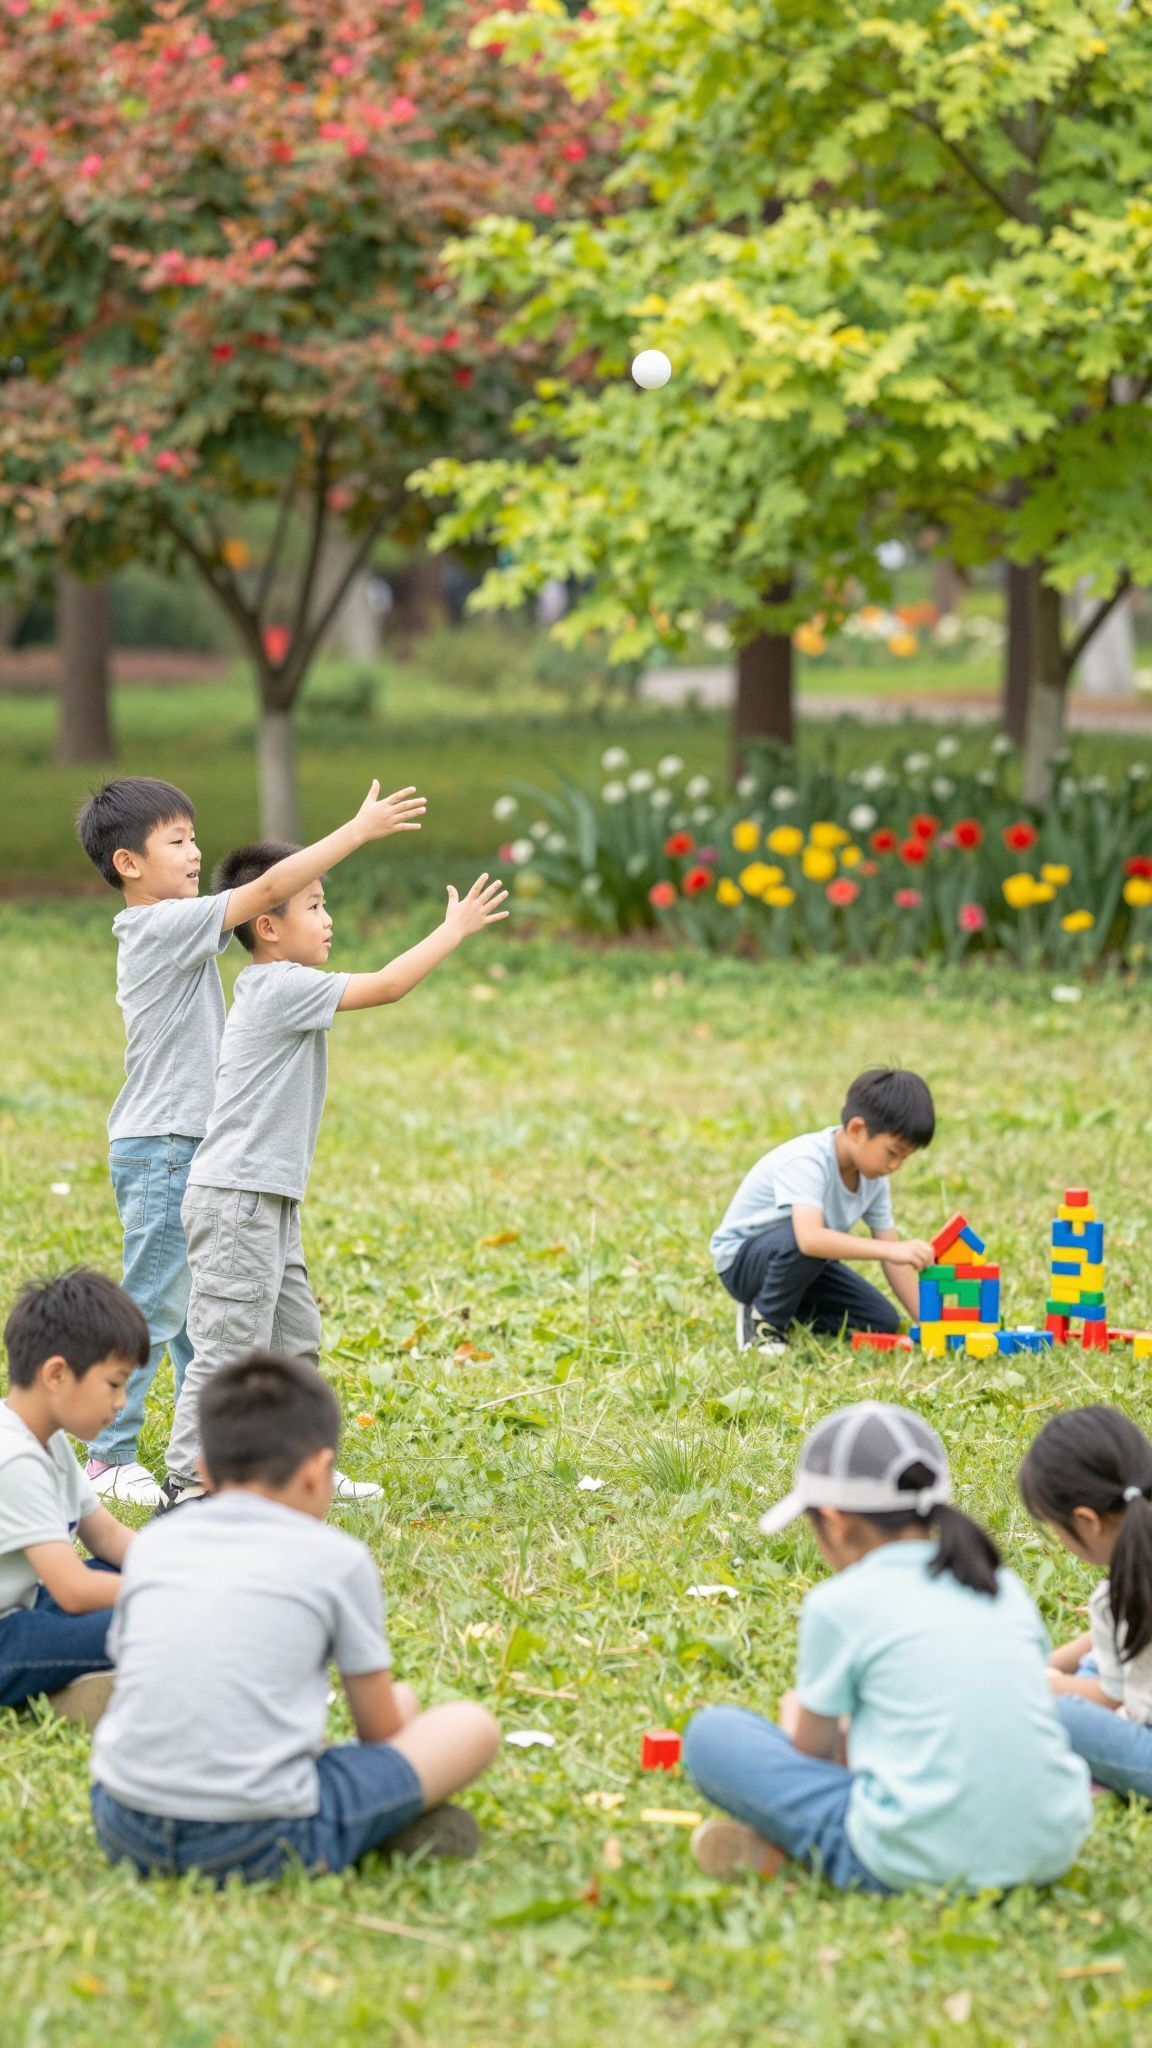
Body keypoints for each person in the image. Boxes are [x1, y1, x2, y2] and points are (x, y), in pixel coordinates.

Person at [74, 773, 427, 1506]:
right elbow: (265, 897)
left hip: (197, 1150)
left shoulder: (178, 925)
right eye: (177, 841)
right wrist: (354, 832)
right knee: (157, 1306)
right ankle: (106, 1457)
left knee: (211, 1321)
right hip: (167, 1143)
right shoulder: (155, 926)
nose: (196, 851)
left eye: (195, 836)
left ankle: (237, 1455)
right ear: (128, 866)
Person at [158, 845, 508, 1511]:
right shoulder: (278, 986)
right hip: (236, 1199)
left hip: (265, 1198)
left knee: (293, 1343)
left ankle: (293, 1470)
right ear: (267, 925)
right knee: (229, 1350)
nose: (328, 920)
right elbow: (388, 985)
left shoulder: (281, 986)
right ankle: (188, 1484)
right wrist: (452, 929)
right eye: (315, 906)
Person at [91, 1352, 500, 1881]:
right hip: (258, 1838)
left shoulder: (152, 1544)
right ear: (316, 1471)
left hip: (124, 1824)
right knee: (468, 1725)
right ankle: (375, 1825)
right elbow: (380, 1731)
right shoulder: (337, 1560)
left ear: (206, 1472)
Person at [683, 1401, 1091, 1891]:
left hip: (915, 1859)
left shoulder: (839, 1604)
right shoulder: (1002, 1586)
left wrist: (797, 1715)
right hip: (1051, 1849)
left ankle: (800, 1853)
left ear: (834, 1521)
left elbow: (814, 1754)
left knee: (713, 1733)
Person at [0, 1270, 147, 1727]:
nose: (122, 1402)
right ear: (57, 1375)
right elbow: (74, 1590)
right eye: (114, 1384)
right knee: (145, 1618)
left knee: (130, 1571)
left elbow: (105, 1536)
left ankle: (74, 1685)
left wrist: (180, 1564)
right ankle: (62, 1697)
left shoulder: (48, 1439)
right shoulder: (14, 1460)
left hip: (24, 1608)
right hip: (7, 1636)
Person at [709, 1066, 936, 1353]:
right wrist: (892, 1250)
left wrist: (929, 1325)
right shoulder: (807, 1161)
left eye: (904, 1158)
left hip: (803, 1264)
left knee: (881, 1320)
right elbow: (810, 1239)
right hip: (744, 1264)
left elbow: (894, 1258)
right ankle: (763, 1319)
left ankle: (784, 1307)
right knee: (809, 1242)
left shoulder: (874, 1180)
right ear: (856, 1129)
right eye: (892, 1153)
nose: (895, 1166)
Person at [1019, 1403, 1152, 1801]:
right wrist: (1045, 1665)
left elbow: (1111, 1698)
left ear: (1087, 1521)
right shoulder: (1134, 1583)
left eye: (1055, 1528)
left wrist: (1035, 1682)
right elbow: (1104, 1641)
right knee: (1090, 1663)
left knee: (1053, 1711)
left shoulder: (1120, 1597)